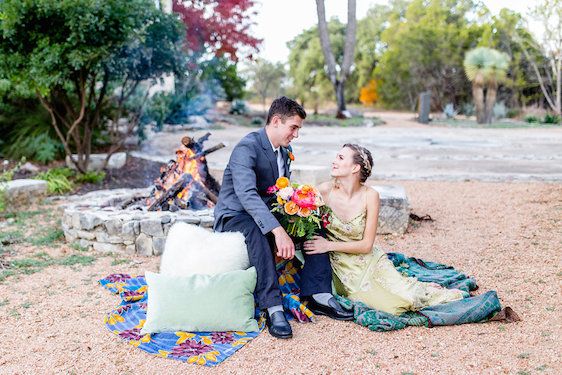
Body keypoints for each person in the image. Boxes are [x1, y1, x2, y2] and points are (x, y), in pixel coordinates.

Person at [214, 97, 353, 339]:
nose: (296, 135)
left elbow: (280, 190)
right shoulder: (247, 148)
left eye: (298, 129)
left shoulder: (285, 150)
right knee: (259, 232)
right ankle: (272, 306)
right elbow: (246, 195)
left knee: (312, 220)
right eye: (294, 127)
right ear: (276, 121)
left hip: (268, 210)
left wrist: (299, 209)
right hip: (236, 214)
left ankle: (318, 294)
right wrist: (278, 230)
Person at [303, 144, 467, 315]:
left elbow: (367, 245)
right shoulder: (324, 190)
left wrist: (328, 246)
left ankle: (420, 288)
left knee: (406, 298)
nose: (334, 161)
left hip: (368, 258)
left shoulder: (370, 196)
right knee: (392, 306)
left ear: (355, 168)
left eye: (341, 158)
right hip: (341, 266)